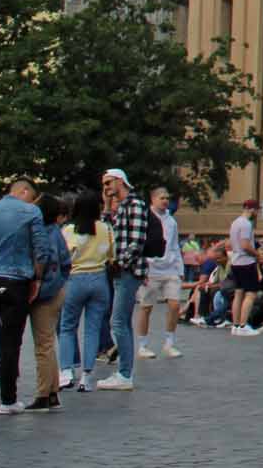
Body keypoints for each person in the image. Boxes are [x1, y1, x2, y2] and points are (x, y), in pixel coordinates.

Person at [0, 179, 51, 416]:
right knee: (10, 342)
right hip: (16, 281)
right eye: (31, 196)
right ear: (24, 191)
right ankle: (8, 400)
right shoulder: (31, 211)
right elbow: (42, 249)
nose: (32, 201)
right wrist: (37, 277)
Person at [56, 190, 114, 395]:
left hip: (75, 279)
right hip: (99, 280)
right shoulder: (105, 229)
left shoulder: (69, 230)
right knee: (92, 329)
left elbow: (62, 256)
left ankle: (66, 372)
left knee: (67, 327)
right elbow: (111, 255)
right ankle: (87, 377)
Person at [100, 167, 149, 390]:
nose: (106, 188)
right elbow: (109, 231)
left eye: (108, 183)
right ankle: (124, 373)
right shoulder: (121, 206)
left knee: (118, 321)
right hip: (122, 271)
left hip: (129, 271)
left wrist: (120, 263)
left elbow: (137, 241)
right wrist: (108, 206)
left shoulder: (135, 204)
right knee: (122, 321)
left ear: (120, 181)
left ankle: (124, 374)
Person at [20, 192, 69, 411]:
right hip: (57, 292)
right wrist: (59, 282)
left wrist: (39, 286)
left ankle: (43, 393)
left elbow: (42, 259)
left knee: (43, 345)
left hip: (44, 295)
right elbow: (67, 263)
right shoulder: (57, 232)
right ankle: (52, 392)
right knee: (48, 342)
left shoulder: (41, 234)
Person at [133, 188, 184, 361]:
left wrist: (180, 268)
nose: (165, 201)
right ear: (153, 199)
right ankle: (142, 345)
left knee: (175, 305)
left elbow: (175, 245)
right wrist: (142, 268)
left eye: (167, 198)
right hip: (151, 268)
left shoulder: (172, 221)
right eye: (162, 198)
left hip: (170, 269)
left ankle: (169, 343)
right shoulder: (145, 218)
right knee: (146, 307)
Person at [226, 196, 263, 336]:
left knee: (238, 293)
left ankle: (235, 325)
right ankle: (243, 325)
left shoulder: (235, 223)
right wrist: (256, 254)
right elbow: (245, 245)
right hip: (246, 261)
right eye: (257, 211)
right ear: (252, 209)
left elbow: (232, 243)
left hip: (235, 261)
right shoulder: (246, 224)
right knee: (251, 294)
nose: (257, 214)